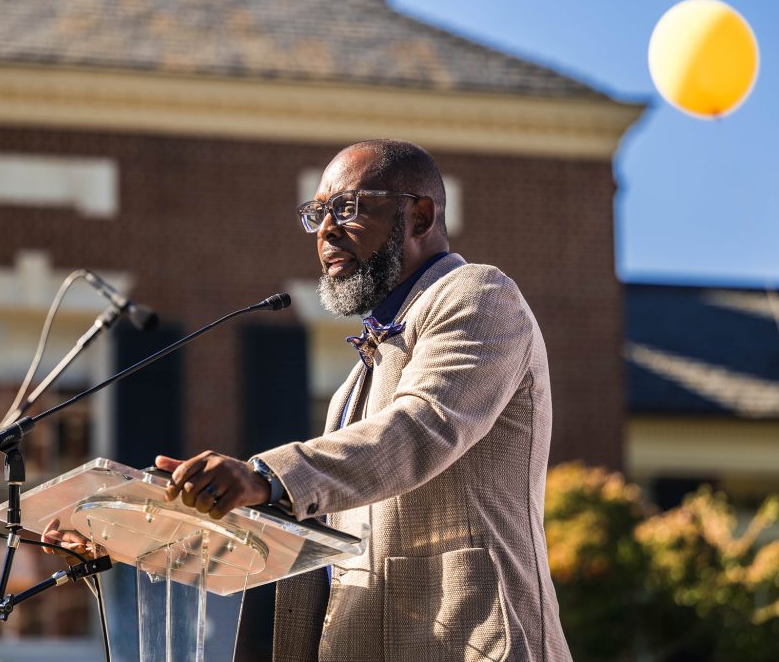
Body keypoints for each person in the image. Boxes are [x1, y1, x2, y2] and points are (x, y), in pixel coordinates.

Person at [51, 139, 572, 661]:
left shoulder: (478, 295)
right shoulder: (358, 376)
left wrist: (265, 473)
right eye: (317, 213)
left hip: (472, 639)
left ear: (419, 215)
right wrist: (135, 531)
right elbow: (304, 533)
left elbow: (423, 426)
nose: (325, 229)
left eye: (347, 207)